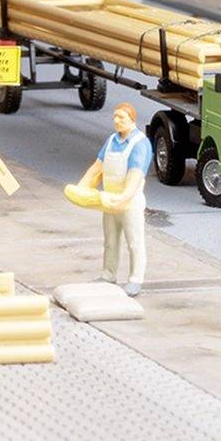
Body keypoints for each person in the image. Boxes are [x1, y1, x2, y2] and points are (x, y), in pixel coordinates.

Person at [64, 102, 151, 296]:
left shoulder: (140, 143)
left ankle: (135, 279)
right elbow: (97, 167)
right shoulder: (112, 140)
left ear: (132, 119)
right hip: (108, 200)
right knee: (110, 240)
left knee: (134, 242)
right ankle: (108, 274)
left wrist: (125, 197)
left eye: (121, 117)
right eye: (115, 117)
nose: (116, 121)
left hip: (129, 202)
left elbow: (135, 174)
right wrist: (81, 189)